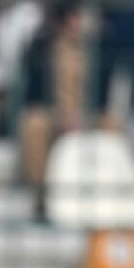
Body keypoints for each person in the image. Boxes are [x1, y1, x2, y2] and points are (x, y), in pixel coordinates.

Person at [16, 1, 121, 217]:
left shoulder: (102, 46)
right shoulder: (41, 46)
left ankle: (114, 196)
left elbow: (105, 95)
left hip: (89, 115)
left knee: (113, 124)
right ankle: (40, 198)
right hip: (53, 113)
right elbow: (33, 95)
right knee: (33, 125)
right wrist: (61, 115)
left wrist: (83, 116)